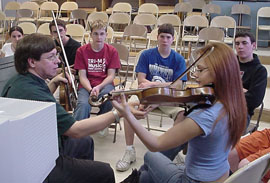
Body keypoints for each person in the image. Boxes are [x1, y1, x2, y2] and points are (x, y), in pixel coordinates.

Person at [0, 33, 143, 182]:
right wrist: (119, 112)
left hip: (39, 145)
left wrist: (53, 83)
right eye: (51, 57)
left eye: (57, 55)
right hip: (40, 162)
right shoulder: (31, 90)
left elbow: (37, 105)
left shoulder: (21, 80)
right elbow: (75, 130)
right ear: (32, 62)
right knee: (104, 171)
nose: (58, 61)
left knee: (86, 142)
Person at [112, 42, 247, 182]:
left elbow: (155, 144)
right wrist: (158, 101)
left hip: (194, 180)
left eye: (200, 70)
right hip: (220, 174)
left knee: (150, 156)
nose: (194, 74)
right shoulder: (231, 102)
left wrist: (127, 113)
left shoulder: (206, 116)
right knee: (146, 176)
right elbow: (187, 100)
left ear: (219, 72)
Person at [116, 23, 187, 172]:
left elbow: (178, 85)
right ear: (157, 37)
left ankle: (172, 151)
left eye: (168, 37)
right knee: (128, 108)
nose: (165, 40)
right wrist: (162, 85)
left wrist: (153, 84)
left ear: (173, 39)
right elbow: (141, 80)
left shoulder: (179, 59)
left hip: (167, 98)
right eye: (162, 36)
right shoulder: (146, 55)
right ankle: (130, 151)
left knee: (182, 113)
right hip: (147, 96)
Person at [73, 20, 121, 124]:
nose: (99, 37)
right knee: (83, 105)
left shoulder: (112, 51)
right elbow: (82, 76)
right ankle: (78, 131)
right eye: (95, 34)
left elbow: (111, 76)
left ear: (106, 35)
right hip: (86, 86)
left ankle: (99, 124)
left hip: (105, 84)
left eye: (102, 34)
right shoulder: (81, 51)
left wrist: (98, 87)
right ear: (91, 35)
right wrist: (91, 90)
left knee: (109, 100)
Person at [235, 32, 267, 129]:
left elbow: (254, 100)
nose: (240, 47)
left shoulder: (260, 70)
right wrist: (242, 91)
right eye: (237, 43)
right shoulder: (229, 64)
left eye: (244, 43)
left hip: (242, 114)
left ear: (253, 45)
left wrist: (230, 90)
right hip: (221, 107)